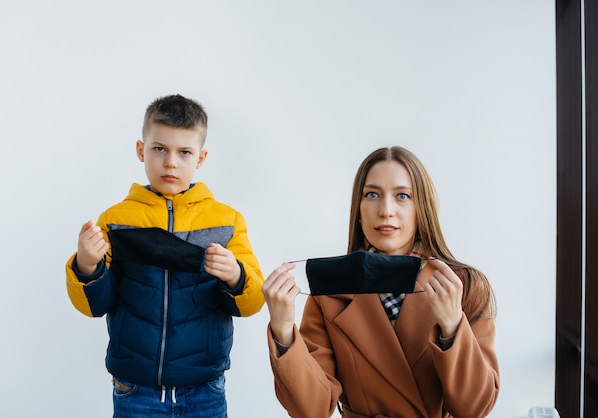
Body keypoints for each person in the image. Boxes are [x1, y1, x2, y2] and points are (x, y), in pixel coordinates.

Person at [262, 146, 499, 418]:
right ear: (359, 208)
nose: (386, 210)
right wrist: (283, 331)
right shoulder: (331, 290)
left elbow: (476, 409)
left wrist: (452, 326)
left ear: (421, 207)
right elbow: (311, 410)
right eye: (372, 194)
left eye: (402, 196)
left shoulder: (464, 285)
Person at [65, 94, 264, 418]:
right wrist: (86, 264)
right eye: (160, 149)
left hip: (205, 390)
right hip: (134, 390)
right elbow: (93, 306)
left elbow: (253, 301)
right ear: (141, 150)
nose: (171, 162)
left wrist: (236, 276)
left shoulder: (227, 222)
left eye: (184, 152)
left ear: (200, 158)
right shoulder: (115, 220)